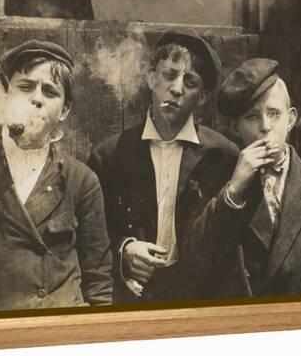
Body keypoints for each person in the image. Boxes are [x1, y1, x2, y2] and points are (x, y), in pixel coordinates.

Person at [88, 29, 239, 303]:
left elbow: (230, 240)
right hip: (133, 300)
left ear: (202, 97)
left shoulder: (223, 156)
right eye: (169, 75)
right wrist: (125, 250)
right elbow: (93, 234)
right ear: (150, 78)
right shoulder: (109, 156)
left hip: (201, 299)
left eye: (190, 82)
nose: (177, 88)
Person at [0, 39, 113, 312]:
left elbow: (99, 280)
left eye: (50, 92)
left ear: (64, 110)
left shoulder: (81, 180)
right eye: (25, 87)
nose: (37, 98)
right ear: (5, 94)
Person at [192, 58, 301, 298]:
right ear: (236, 128)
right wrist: (234, 190)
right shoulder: (219, 181)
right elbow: (197, 258)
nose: (265, 126)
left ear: (291, 119)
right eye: (252, 117)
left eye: (274, 113)